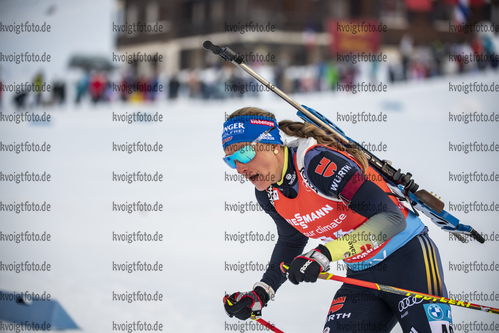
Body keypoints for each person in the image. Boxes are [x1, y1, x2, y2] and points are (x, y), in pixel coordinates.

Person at [221, 106, 453, 332]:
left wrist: (325, 253)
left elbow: (392, 218)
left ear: (271, 144)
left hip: (409, 259)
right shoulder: (268, 193)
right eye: (231, 160)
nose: (239, 167)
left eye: (244, 153)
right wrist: (262, 292)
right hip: (362, 275)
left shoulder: (319, 165)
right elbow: (291, 240)